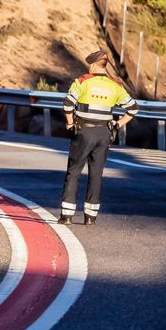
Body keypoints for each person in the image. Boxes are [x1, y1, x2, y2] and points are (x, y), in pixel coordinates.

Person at [61, 49, 136, 225]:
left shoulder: (82, 82)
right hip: (104, 133)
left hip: (84, 131)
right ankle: (90, 217)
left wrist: (70, 123)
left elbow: (68, 104)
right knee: (96, 173)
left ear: (93, 64)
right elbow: (133, 109)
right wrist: (117, 124)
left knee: (74, 171)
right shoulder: (116, 86)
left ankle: (67, 216)